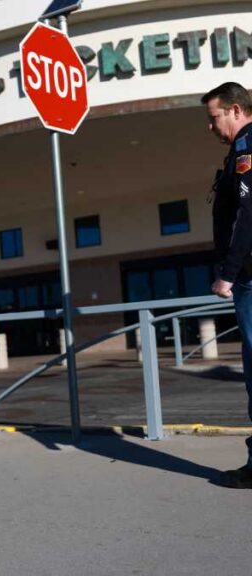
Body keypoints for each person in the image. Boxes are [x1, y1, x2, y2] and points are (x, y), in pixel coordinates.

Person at [204, 81, 252, 489]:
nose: (210, 125)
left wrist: (230, 273)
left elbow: (247, 216)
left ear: (236, 110)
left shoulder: (247, 149)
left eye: (214, 116)